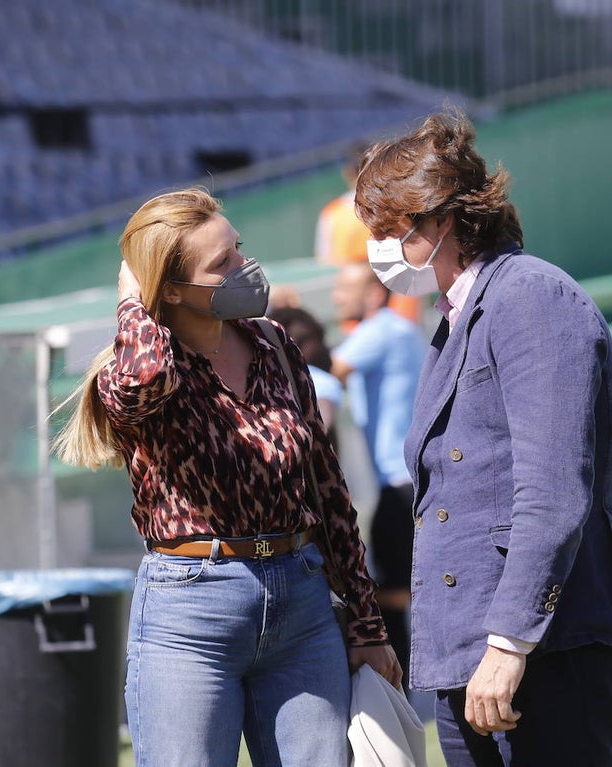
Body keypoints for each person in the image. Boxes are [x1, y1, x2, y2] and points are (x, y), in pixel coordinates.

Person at [53, 188, 399, 767]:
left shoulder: (274, 344)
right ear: (170, 288)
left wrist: (367, 623)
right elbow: (141, 381)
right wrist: (132, 302)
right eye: (223, 263)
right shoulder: (142, 367)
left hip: (301, 597)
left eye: (238, 248)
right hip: (192, 608)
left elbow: (328, 488)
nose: (245, 267)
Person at [353, 111, 612, 766]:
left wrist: (510, 643)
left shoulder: (532, 298)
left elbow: (552, 494)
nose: (377, 249)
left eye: (386, 230)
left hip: (539, 651)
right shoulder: (459, 313)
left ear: (438, 220)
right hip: (465, 652)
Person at [330, 261, 426, 688]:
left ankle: (398, 684)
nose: (336, 297)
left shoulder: (379, 331)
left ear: (373, 293)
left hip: (398, 481)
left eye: (344, 289)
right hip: (407, 477)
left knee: (391, 590)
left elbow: (323, 372)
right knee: (399, 583)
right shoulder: (400, 330)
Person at [315, 141, 422, 326]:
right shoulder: (395, 205)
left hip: (360, 309)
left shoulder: (333, 213)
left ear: (347, 173)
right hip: (398, 304)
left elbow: (326, 262)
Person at [268, 304, 342, 432]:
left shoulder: (264, 382)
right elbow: (320, 429)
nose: (323, 348)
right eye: (319, 338)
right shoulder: (319, 379)